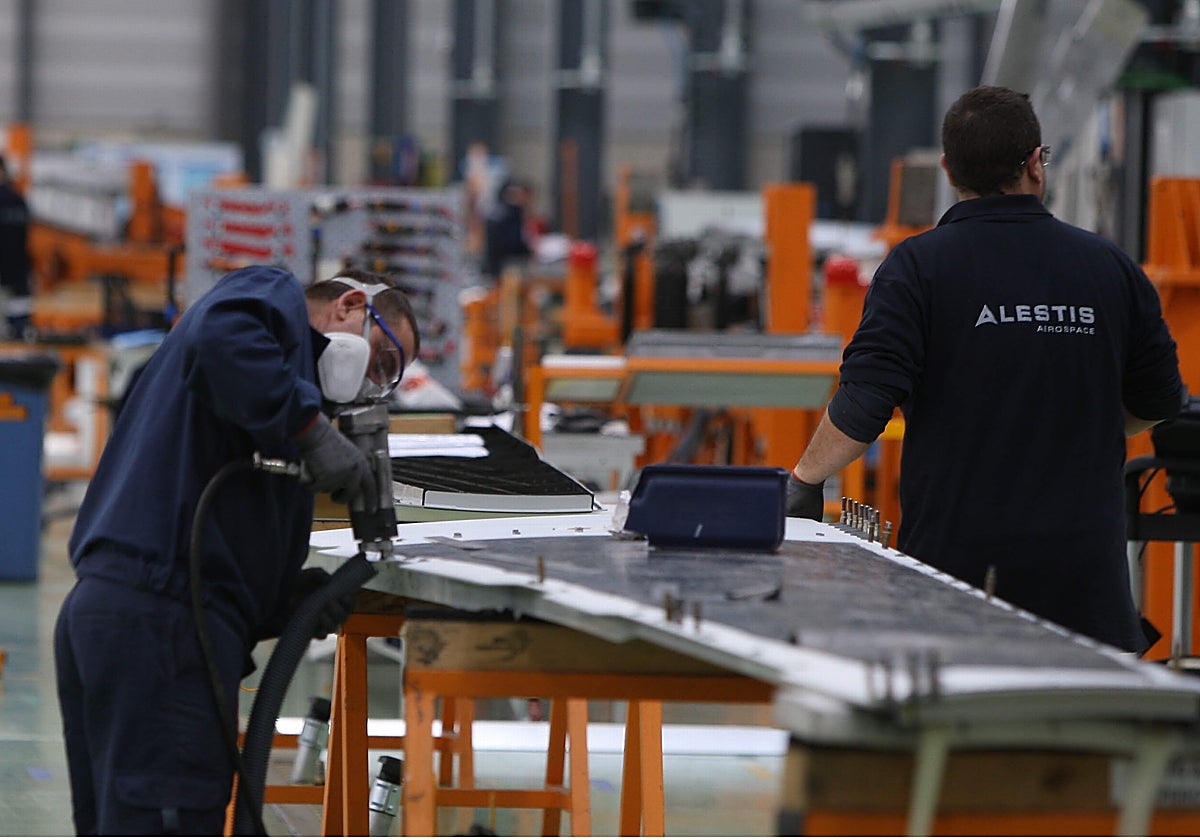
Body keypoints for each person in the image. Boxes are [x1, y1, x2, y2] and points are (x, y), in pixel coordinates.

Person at [786, 86, 1184, 654]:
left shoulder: (917, 268)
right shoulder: (1110, 266)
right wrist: (1079, 426)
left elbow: (864, 405)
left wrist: (802, 480)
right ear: (1034, 164)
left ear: (949, 169)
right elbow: (1161, 399)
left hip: (955, 595)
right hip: (1086, 599)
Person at [53, 265, 420, 835]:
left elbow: (221, 543)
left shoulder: (270, 402)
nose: (373, 385)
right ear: (350, 305)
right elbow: (218, 339)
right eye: (383, 361)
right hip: (159, 626)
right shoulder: (271, 302)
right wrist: (309, 431)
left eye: (386, 383)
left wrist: (288, 603)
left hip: (141, 622)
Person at [0, 154, 32, 339]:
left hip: (11, 278)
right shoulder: (19, 201)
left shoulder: (14, 201)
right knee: (18, 335)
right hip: (18, 277)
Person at [482, 178, 539, 281]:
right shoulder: (509, 216)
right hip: (505, 268)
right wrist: (528, 251)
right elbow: (512, 244)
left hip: (499, 267)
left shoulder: (505, 212)